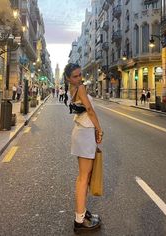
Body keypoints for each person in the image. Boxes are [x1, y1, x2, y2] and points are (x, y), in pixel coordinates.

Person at [64, 63, 103, 233]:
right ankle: (79, 220)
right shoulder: (80, 89)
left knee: (84, 177)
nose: (79, 78)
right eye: (75, 76)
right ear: (68, 78)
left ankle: (82, 211)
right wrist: (99, 129)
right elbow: (89, 110)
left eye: (80, 75)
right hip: (85, 133)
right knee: (83, 178)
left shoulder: (73, 88)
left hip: (81, 132)